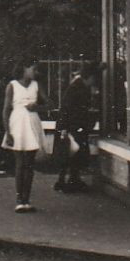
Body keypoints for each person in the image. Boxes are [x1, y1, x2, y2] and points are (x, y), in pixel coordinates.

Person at [2, 61, 45, 212]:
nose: (35, 71)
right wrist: (8, 132)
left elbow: (50, 104)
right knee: (20, 163)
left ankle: (27, 200)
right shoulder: (12, 85)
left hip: (32, 124)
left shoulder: (36, 85)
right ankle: (19, 199)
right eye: (32, 68)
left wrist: (37, 107)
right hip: (18, 124)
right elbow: (6, 110)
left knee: (30, 164)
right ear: (24, 68)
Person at [53, 61, 100, 192]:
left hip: (72, 125)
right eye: (93, 78)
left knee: (70, 153)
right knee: (73, 153)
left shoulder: (77, 86)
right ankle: (70, 181)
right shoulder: (79, 88)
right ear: (89, 77)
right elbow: (70, 109)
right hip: (73, 125)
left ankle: (66, 180)